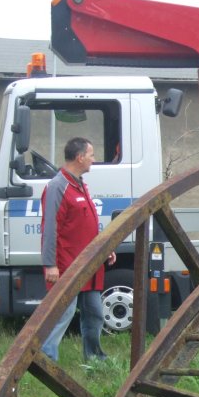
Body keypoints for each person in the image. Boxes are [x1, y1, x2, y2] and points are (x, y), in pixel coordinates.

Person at [40, 136, 116, 362]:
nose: (94, 159)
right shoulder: (57, 187)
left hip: (89, 266)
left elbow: (87, 225)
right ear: (80, 157)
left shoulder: (80, 184)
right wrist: (50, 264)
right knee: (62, 314)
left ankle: (95, 361)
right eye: (91, 155)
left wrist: (104, 249)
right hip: (67, 266)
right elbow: (49, 227)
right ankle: (46, 360)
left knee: (94, 314)